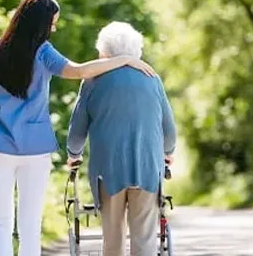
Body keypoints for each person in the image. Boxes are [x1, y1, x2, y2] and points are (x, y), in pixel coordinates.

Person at [0, 0, 157, 256]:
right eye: (52, 23)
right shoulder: (43, 52)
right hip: (35, 149)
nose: (54, 28)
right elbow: (80, 71)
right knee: (29, 226)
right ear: (39, 24)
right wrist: (127, 60)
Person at [65, 21, 177, 256]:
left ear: (104, 51)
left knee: (113, 236)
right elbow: (168, 128)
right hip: (147, 167)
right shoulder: (152, 79)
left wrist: (74, 155)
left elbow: (77, 130)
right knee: (145, 238)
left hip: (109, 169)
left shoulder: (92, 81)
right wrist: (168, 152)